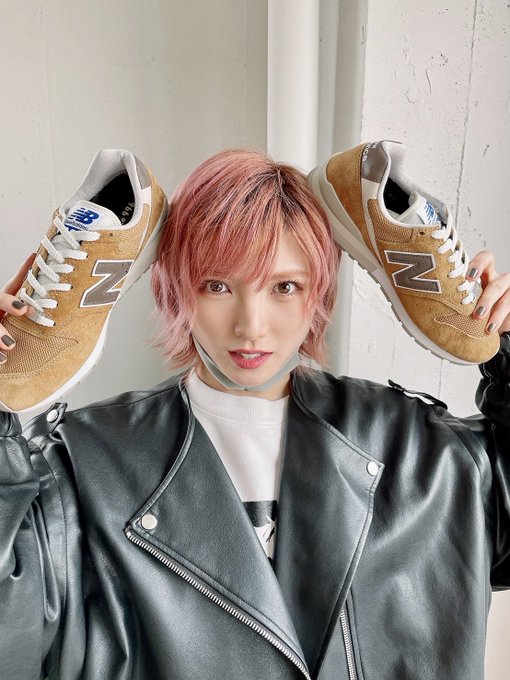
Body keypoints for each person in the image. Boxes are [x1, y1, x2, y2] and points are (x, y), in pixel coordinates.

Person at [0, 147, 509, 680]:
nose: (251, 326)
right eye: (216, 285)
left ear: (319, 293)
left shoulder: (419, 449)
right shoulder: (82, 466)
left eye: (284, 287)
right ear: (177, 289)